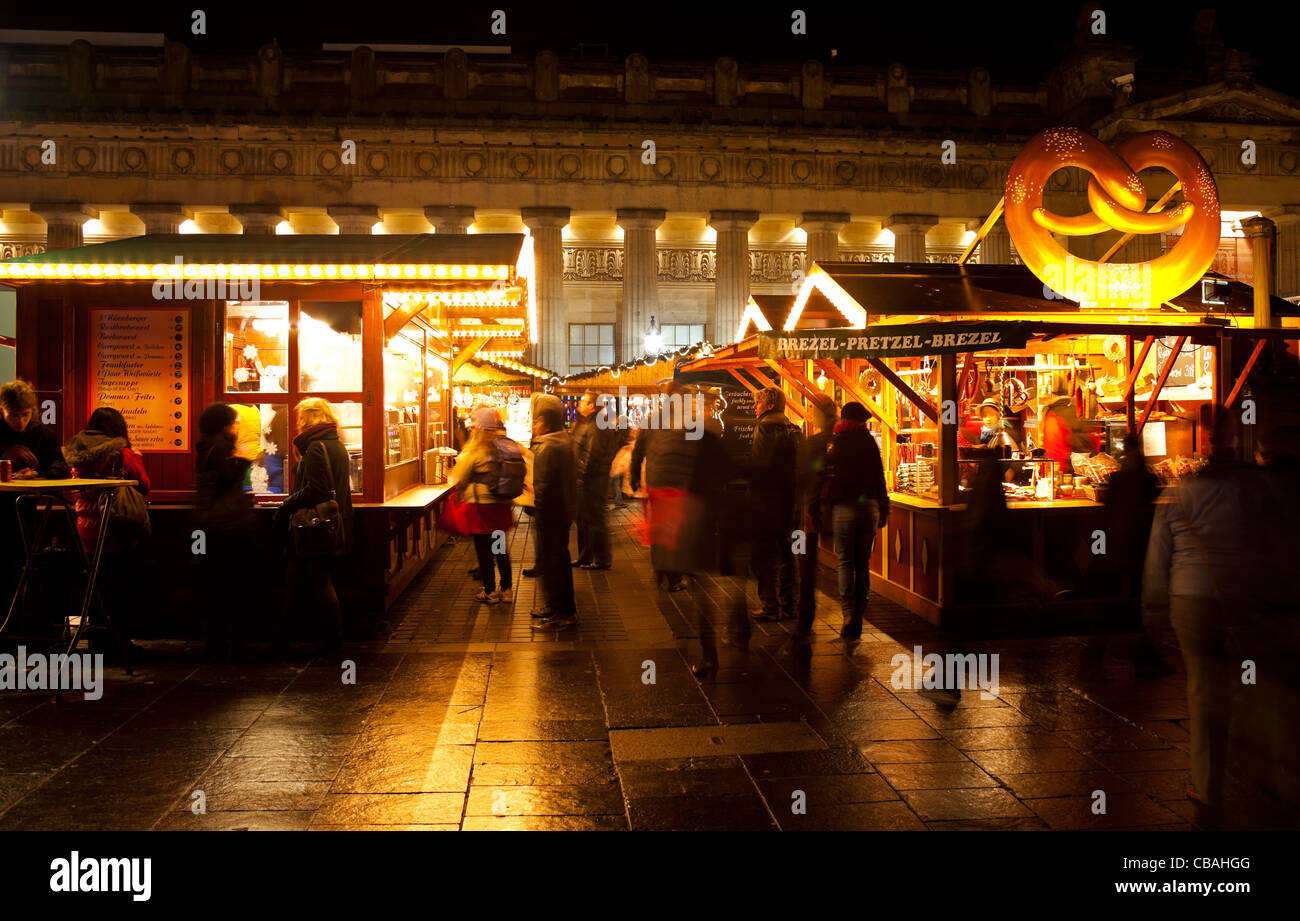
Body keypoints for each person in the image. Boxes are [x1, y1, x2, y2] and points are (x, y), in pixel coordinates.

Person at [1142, 411, 1271, 830]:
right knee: (1252, 686)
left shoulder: (1179, 492)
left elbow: (1157, 558)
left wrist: (1153, 613)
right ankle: (1265, 778)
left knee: (1202, 690)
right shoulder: (1255, 490)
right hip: (1245, 597)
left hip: (1191, 598)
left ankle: (1207, 784)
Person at [61, 407, 151, 658]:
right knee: (119, 589)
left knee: (95, 587)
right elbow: (144, 485)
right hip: (114, 529)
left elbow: (70, 493)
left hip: (84, 531)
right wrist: (137, 457)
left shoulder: (77, 453)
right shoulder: (121, 453)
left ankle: (98, 642)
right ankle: (119, 643)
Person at [273, 398, 354, 656]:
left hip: (315, 525)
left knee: (314, 580)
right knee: (308, 580)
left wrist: (286, 505)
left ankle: (328, 640)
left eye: (300, 418)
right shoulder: (336, 444)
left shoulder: (317, 446)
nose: (298, 424)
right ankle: (291, 639)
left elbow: (315, 489)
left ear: (310, 418)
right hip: (333, 523)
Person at [817, 401, 888, 639]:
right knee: (862, 562)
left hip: (844, 508)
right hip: (868, 507)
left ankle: (848, 613)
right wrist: (884, 507)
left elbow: (825, 474)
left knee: (846, 562)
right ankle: (860, 611)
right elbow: (879, 476)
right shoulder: (869, 442)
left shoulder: (835, 442)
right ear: (860, 421)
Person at [193, 403, 256, 660]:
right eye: (235, 422)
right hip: (228, 526)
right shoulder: (221, 446)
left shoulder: (205, 446)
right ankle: (236, 645)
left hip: (209, 525)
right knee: (235, 586)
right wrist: (242, 462)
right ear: (224, 424)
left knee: (215, 588)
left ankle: (215, 643)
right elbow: (227, 478)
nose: (237, 426)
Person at [1102, 434, 1162, 672]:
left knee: (1120, 587)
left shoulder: (1117, 477)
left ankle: (1120, 637)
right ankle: (1140, 641)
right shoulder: (1147, 477)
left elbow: (1108, 507)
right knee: (1138, 588)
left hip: (1120, 538)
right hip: (1140, 538)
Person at [448, 407, 519, 604]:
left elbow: (458, 477)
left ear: (477, 427)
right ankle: (506, 590)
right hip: (501, 507)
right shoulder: (503, 446)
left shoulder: (475, 450)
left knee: (484, 550)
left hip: (481, 509)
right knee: (500, 548)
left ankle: (490, 590)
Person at [747, 386, 801, 621]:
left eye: (757, 403)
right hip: (790, 502)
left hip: (767, 502)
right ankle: (789, 604)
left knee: (762, 554)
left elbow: (761, 468)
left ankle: (770, 605)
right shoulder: (794, 430)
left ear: (769, 405)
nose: (755, 408)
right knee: (788, 553)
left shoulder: (764, 427)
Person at [530, 399, 578, 630]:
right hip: (562, 510)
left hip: (550, 513)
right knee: (559, 560)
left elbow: (543, 484)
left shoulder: (548, 446)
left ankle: (563, 613)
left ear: (544, 423)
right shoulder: (563, 440)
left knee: (554, 562)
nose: (534, 425)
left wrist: (535, 507)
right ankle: (558, 607)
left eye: (536, 420)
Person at [795, 392, 837, 637]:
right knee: (848, 564)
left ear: (818, 413)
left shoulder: (812, 443)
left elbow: (801, 478)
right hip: (836, 509)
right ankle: (852, 615)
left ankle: (805, 615)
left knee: (806, 565)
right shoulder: (842, 440)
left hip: (807, 513)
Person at [572, 391, 621, 569]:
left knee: (595, 519)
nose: (579, 403)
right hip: (590, 478)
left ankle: (602, 559)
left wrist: (581, 476)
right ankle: (585, 557)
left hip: (593, 479)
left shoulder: (598, 426)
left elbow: (592, 455)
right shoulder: (590, 423)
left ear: (592, 406)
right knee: (584, 519)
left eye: (583, 401)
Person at [0, 379, 69, 479]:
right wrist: (4, 458)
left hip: (36, 492)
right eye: (13, 416)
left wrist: (36, 473)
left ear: (32, 411)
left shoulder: (44, 433)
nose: (20, 421)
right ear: (2, 410)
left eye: (25, 414)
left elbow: (61, 468)